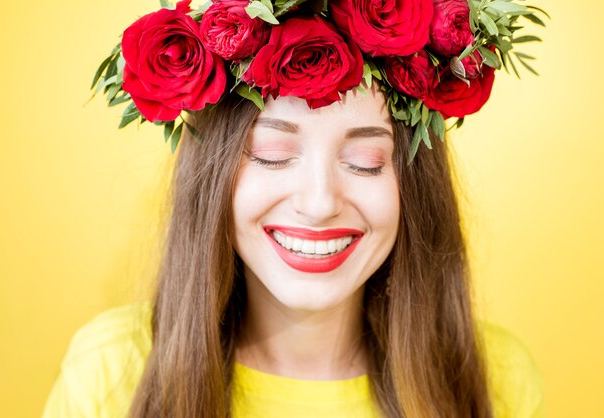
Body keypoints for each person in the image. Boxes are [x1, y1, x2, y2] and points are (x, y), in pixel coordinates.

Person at [43, 1, 546, 417]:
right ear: (212, 176)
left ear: (412, 184)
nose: (320, 202)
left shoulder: (494, 376)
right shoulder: (111, 371)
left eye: (366, 161)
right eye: (272, 155)